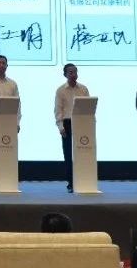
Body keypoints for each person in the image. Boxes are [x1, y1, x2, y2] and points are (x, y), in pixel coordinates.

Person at [54, 63, 89, 193]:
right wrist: (60, 126)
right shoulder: (61, 90)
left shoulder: (83, 89)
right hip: (67, 123)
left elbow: (89, 107)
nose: (74, 74)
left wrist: (89, 124)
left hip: (82, 123)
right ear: (65, 74)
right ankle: (71, 183)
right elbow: (58, 110)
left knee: (83, 153)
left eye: (75, 72)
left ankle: (83, 181)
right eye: (70, 72)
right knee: (69, 155)